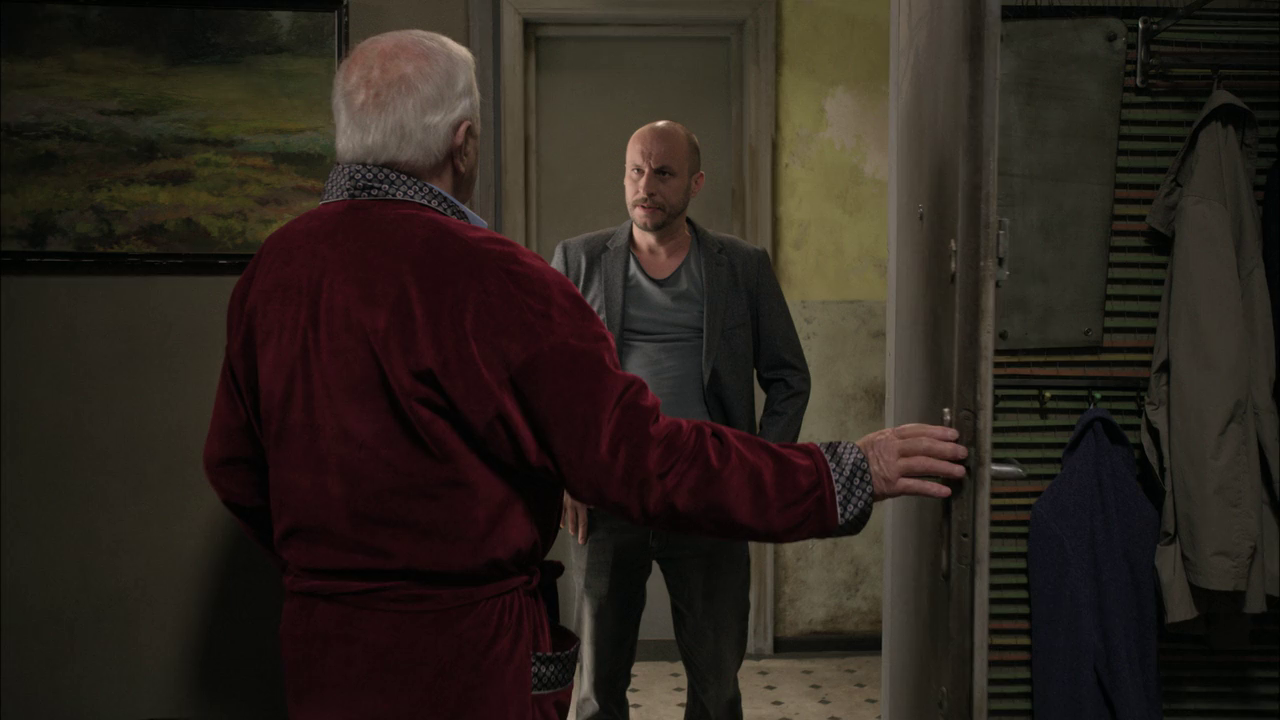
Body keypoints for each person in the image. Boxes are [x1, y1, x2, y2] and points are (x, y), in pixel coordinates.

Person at [202, 29, 968, 720]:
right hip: (469, 659)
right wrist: (841, 473)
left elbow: (235, 467)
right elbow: (639, 457)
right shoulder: (502, 278)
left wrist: (341, 577)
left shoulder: (275, 270)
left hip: (324, 647)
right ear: (464, 144)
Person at [552, 120, 808, 720]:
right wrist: (565, 472)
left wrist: (760, 470)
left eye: (663, 173)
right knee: (596, 691)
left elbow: (789, 377)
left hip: (710, 494)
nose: (646, 186)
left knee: (716, 687)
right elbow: (549, 381)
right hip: (609, 494)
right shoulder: (578, 260)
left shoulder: (741, 267)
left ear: (695, 183)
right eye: (635, 171)